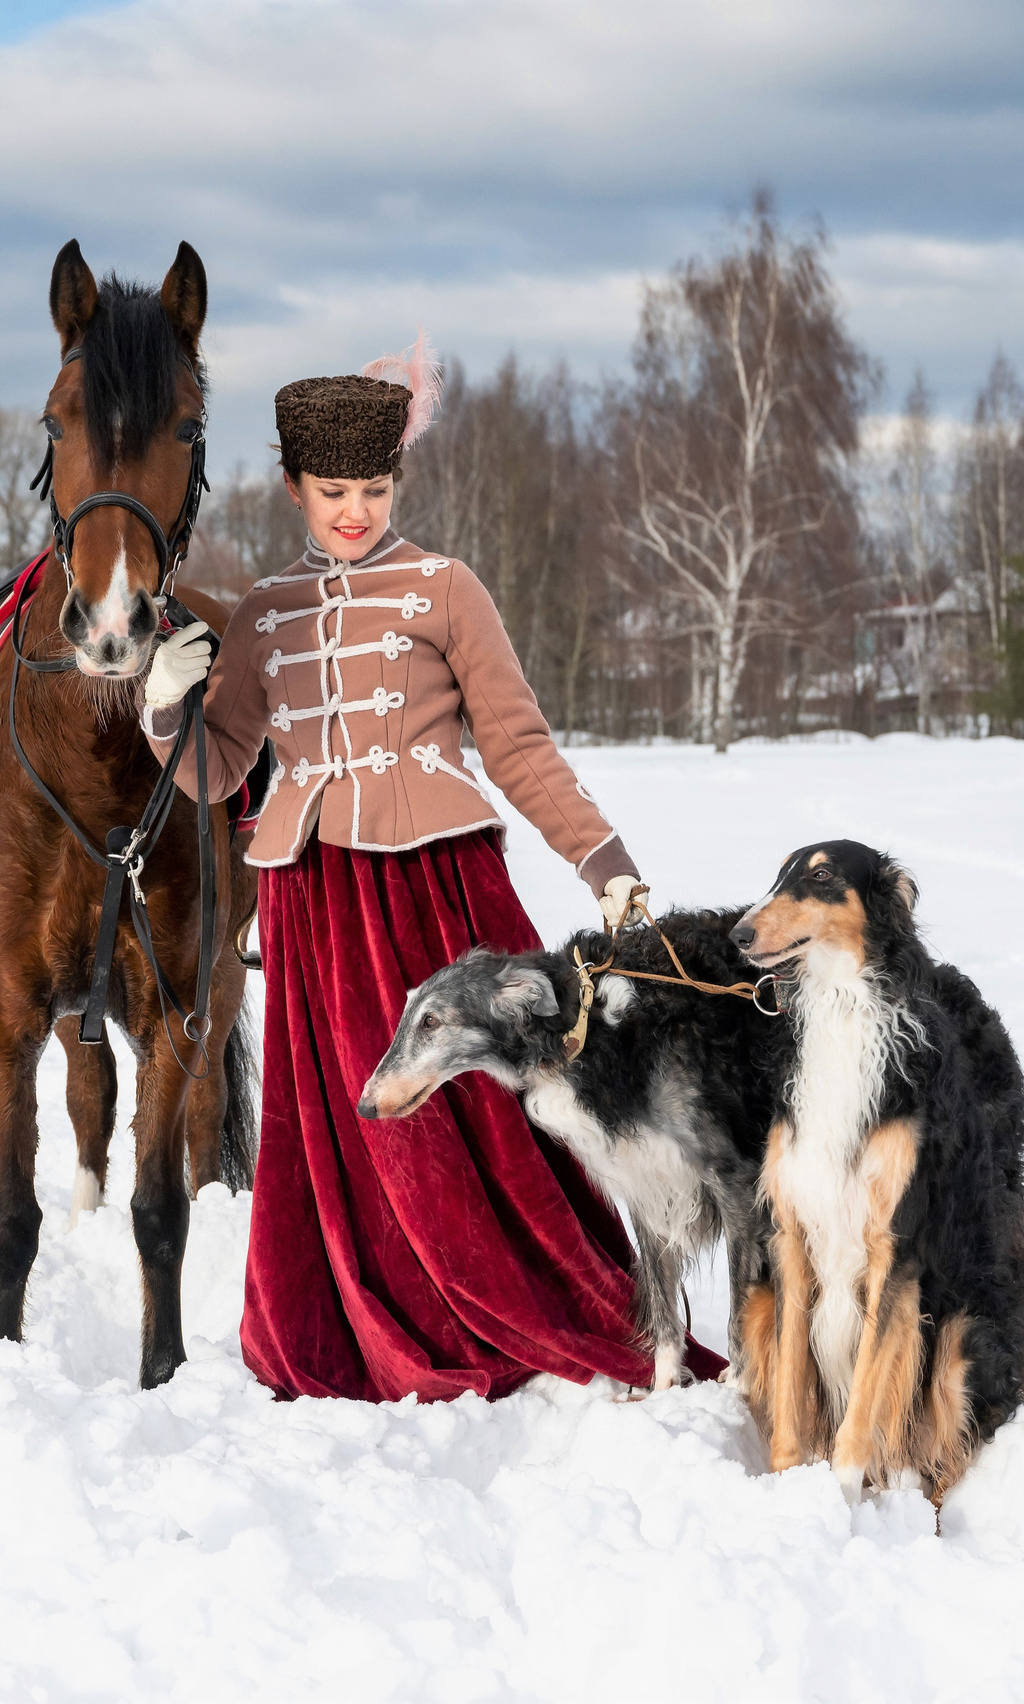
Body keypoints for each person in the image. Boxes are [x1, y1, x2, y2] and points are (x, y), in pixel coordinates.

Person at [138, 339, 722, 1401]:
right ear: (294, 491)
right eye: (331, 491)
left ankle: (501, 1301)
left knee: (481, 1124)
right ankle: (356, 1316)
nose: (352, 510)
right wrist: (167, 706)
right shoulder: (265, 614)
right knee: (348, 1124)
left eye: (371, 487)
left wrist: (604, 860)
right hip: (313, 900)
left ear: (396, 482)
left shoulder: (447, 590)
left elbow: (518, 746)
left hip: (433, 894)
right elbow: (217, 771)